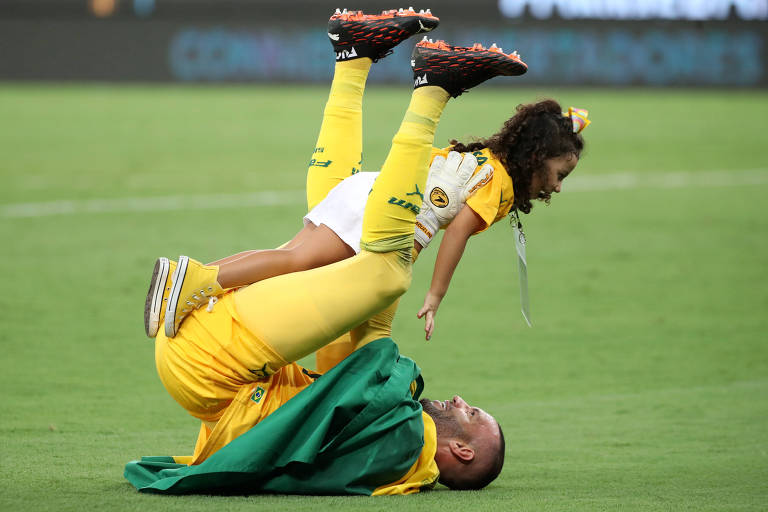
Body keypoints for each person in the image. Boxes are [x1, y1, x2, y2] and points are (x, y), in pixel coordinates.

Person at [137, 7, 524, 494]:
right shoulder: (393, 451)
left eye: (470, 413)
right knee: (350, 257)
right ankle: (354, 56)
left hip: (215, 363)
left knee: (387, 275)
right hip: (214, 368)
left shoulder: (405, 441)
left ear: (462, 451)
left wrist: (427, 219)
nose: (461, 399)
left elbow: (379, 368)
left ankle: (432, 89)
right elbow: (359, 366)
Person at [144, 18, 588, 349]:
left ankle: (199, 283)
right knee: (297, 262)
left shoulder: (484, 156)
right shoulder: (501, 181)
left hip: (368, 190)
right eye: (559, 174)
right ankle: (198, 280)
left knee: (293, 258)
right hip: (384, 218)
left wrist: (570, 124)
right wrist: (436, 295)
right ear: (536, 157)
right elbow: (457, 231)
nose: (558, 187)